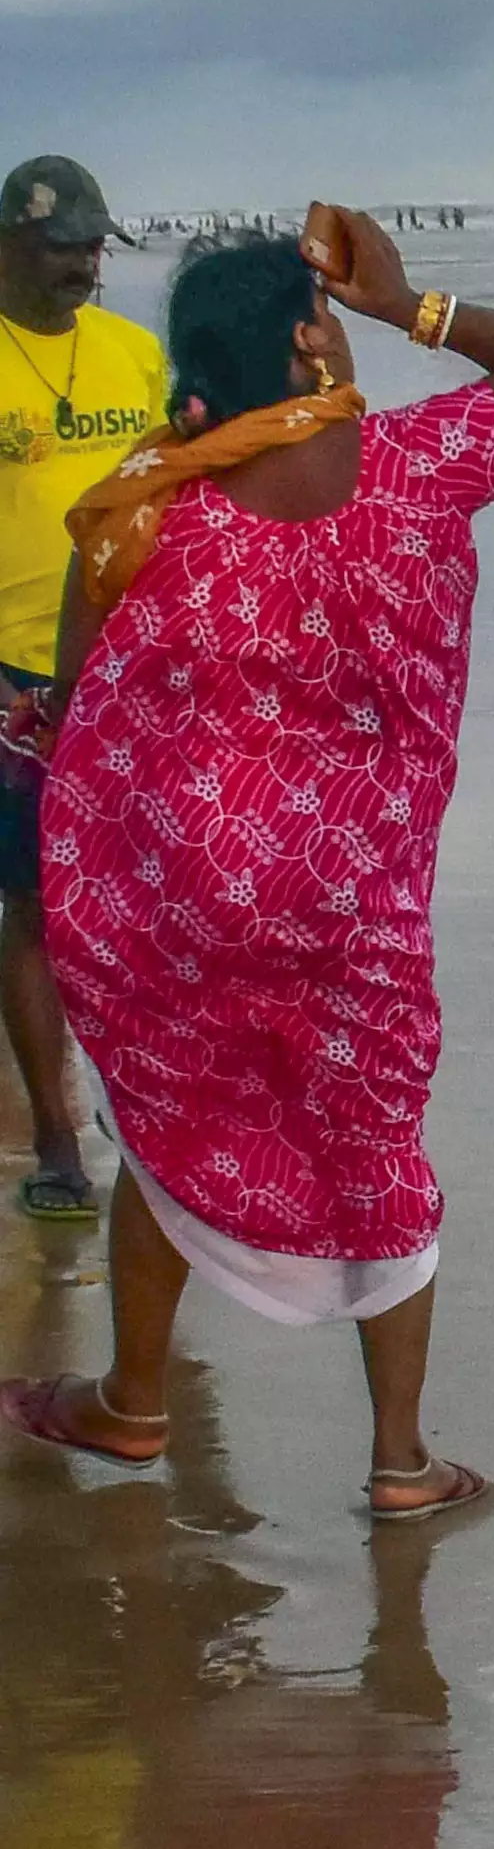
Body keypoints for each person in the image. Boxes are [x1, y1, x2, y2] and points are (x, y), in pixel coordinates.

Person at [0, 208, 494, 1517]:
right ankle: (400, 1462)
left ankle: (135, 1405)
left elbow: (78, 725)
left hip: (186, 909)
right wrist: (407, 306)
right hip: (357, 907)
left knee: (164, 1131)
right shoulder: (412, 470)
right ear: (308, 342)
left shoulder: (138, 519)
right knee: (375, 1147)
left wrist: (89, 894)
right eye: (323, 321)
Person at [0, 156, 173, 1222]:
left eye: (96, 246)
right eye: (64, 246)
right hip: (12, 676)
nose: (84, 265)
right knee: (33, 911)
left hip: (138, 665)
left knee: (141, 902)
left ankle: (148, 1114)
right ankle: (58, 1142)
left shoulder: (136, 352)